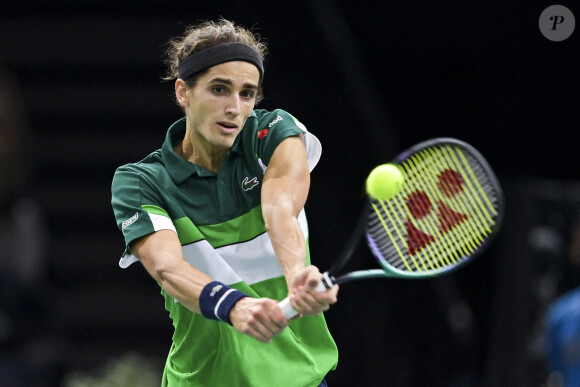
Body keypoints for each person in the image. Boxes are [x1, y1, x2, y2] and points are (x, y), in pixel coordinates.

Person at [111, 19, 339, 386]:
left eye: (247, 93)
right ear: (183, 92)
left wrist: (297, 275)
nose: (235, 107)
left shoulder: (274, 133)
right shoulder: (142, 181)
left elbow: (279, 209)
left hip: (299, 379)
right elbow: (167, 268)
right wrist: (232, 305)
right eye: (220, 89)